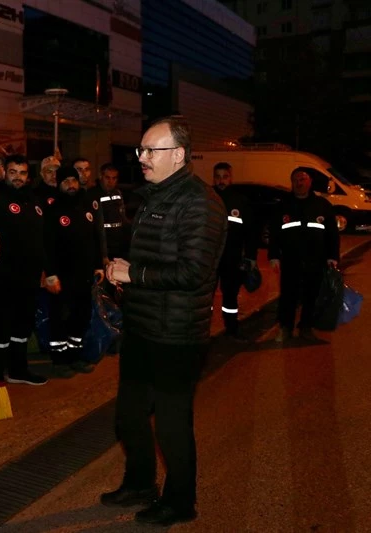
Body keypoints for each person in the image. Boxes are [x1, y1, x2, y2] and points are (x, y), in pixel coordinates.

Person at [102, 116, 226, 526]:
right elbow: (158, 256)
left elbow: (194, 271)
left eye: (151, 150)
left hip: (176, 335)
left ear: (178, 154)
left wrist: (133, 274)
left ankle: (180, 501)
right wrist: (126, 268)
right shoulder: (155, 196)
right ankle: (140, 483)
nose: (142, 158)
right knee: (129, 416)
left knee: (171, 425)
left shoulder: (200, 202)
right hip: (141, 327)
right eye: (140, 150)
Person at [0, 154, 48, 386]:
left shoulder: (34, 201)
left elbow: (41, 239)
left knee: (23, 326)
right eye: (13, 172)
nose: (18, 177)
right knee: (1, 327)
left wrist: (44, 269)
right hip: (3, 277)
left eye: (22, 173)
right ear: (5, 173)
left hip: (29, 277)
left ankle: (18, 370)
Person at [43, 165, 102, 377]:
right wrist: (50, 274)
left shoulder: (86, 207)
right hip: (61, 276)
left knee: (81, 316)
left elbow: (95, 239)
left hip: (84, 275)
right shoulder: (53, 210)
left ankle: (75, 356)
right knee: (60, 317)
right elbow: (46, 245)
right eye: (66, 181)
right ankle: (59, 360)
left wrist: (98, 265)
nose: (71, 185)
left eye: (74, 180)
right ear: (59, 184)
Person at [268, 167, 339, 341]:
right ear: (291, 183)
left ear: (310, 182)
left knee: (312, 296)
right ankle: (285, 327)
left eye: (303, 179)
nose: (299, 183)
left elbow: (332, 234)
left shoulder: (322, 205)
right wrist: (274, 256)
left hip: (316, 259)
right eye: (296, 180)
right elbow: (274, 233)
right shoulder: (283, 206)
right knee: (288, 296)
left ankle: (306, 327)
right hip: (290, 259)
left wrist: (333, 257)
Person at [212, 162, 258, 340]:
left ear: (231, 178)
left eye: (225, 176)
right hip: (209, 258)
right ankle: (201, 331)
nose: (221, 181)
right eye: (218, 177)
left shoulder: (241, 201)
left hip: (232, 258)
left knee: (230, 296)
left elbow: (251, 232)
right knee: (205, 297)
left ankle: (231, 328)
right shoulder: (207, 198)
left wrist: (251, 257)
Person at [87, 162, 130, 266]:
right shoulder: (93, 194)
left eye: (114, 178)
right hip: (103, 246)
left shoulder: (117, 192)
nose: (111, 182)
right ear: (101, 176)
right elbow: (97, 226)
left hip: (119, 244)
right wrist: (103, 254)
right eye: (107, 178)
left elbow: (123, 217)